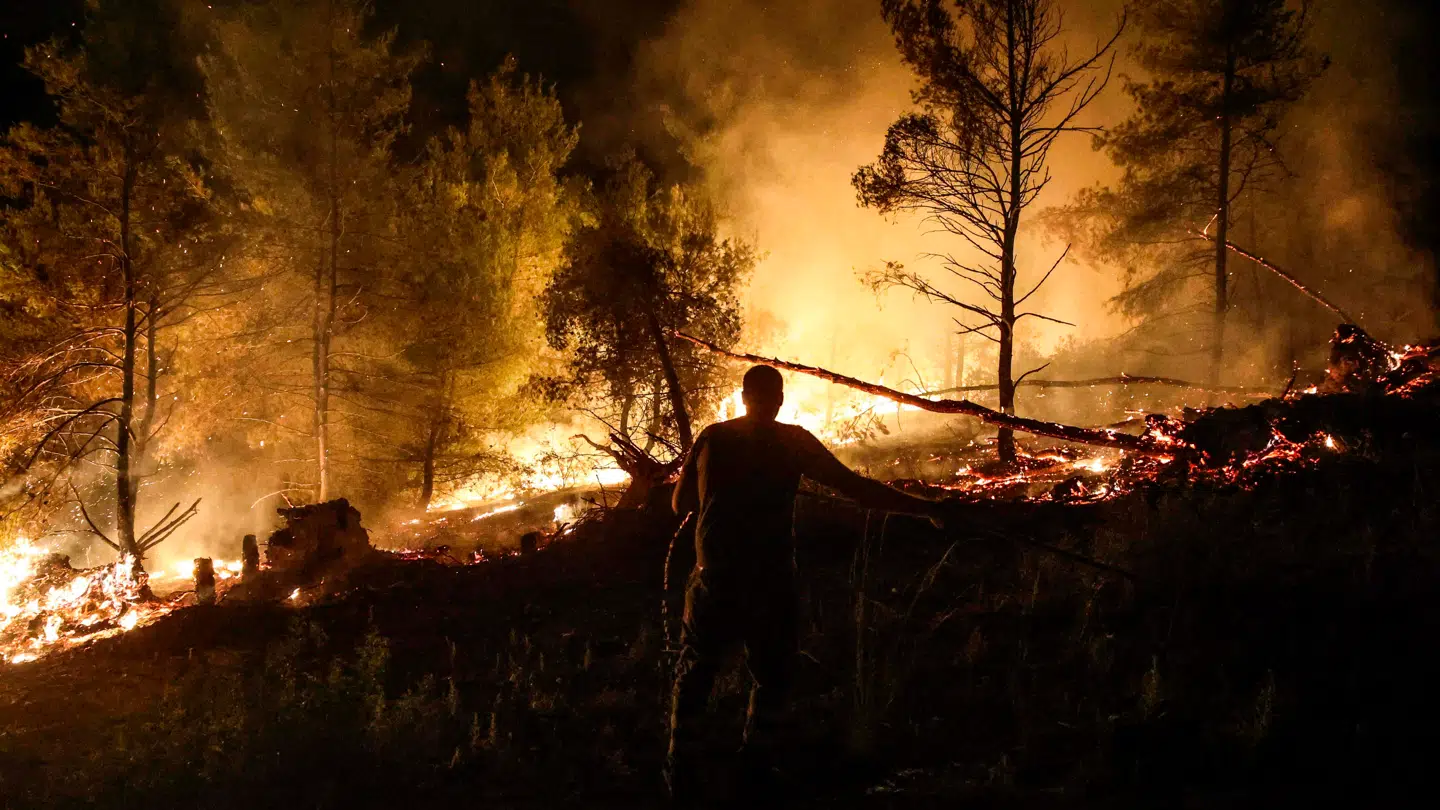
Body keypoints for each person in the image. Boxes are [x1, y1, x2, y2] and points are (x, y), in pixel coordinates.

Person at [665, 364, 948, 802]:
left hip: (714, 579)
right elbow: (857, 489)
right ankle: (755, 771)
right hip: (769, 582)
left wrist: (717, 494)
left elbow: (679, 503)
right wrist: (926, 507)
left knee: (696, 674)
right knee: (773, 679)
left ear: (743, 397)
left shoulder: (713, 437)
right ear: (779, 401)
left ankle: (681, 777)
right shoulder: (792, 442)